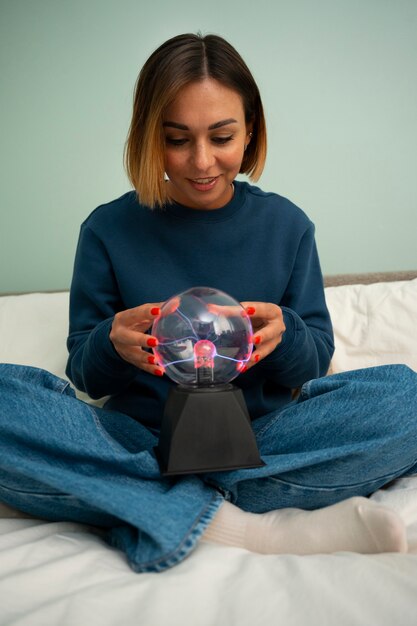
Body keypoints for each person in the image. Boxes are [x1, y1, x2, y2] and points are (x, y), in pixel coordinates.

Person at [1, 33, 416, 573]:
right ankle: (242, 524)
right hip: (138, 441)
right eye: (178, 139)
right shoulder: (107, 230)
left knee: (406, 397)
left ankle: (141, 503)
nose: (201, 162)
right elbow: (86, 374)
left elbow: (315, 359)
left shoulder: (287, 226)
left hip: (262, 438)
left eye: (221, 136)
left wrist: (284, 334)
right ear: (150, 137)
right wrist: (109, 344)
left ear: (250, 133)